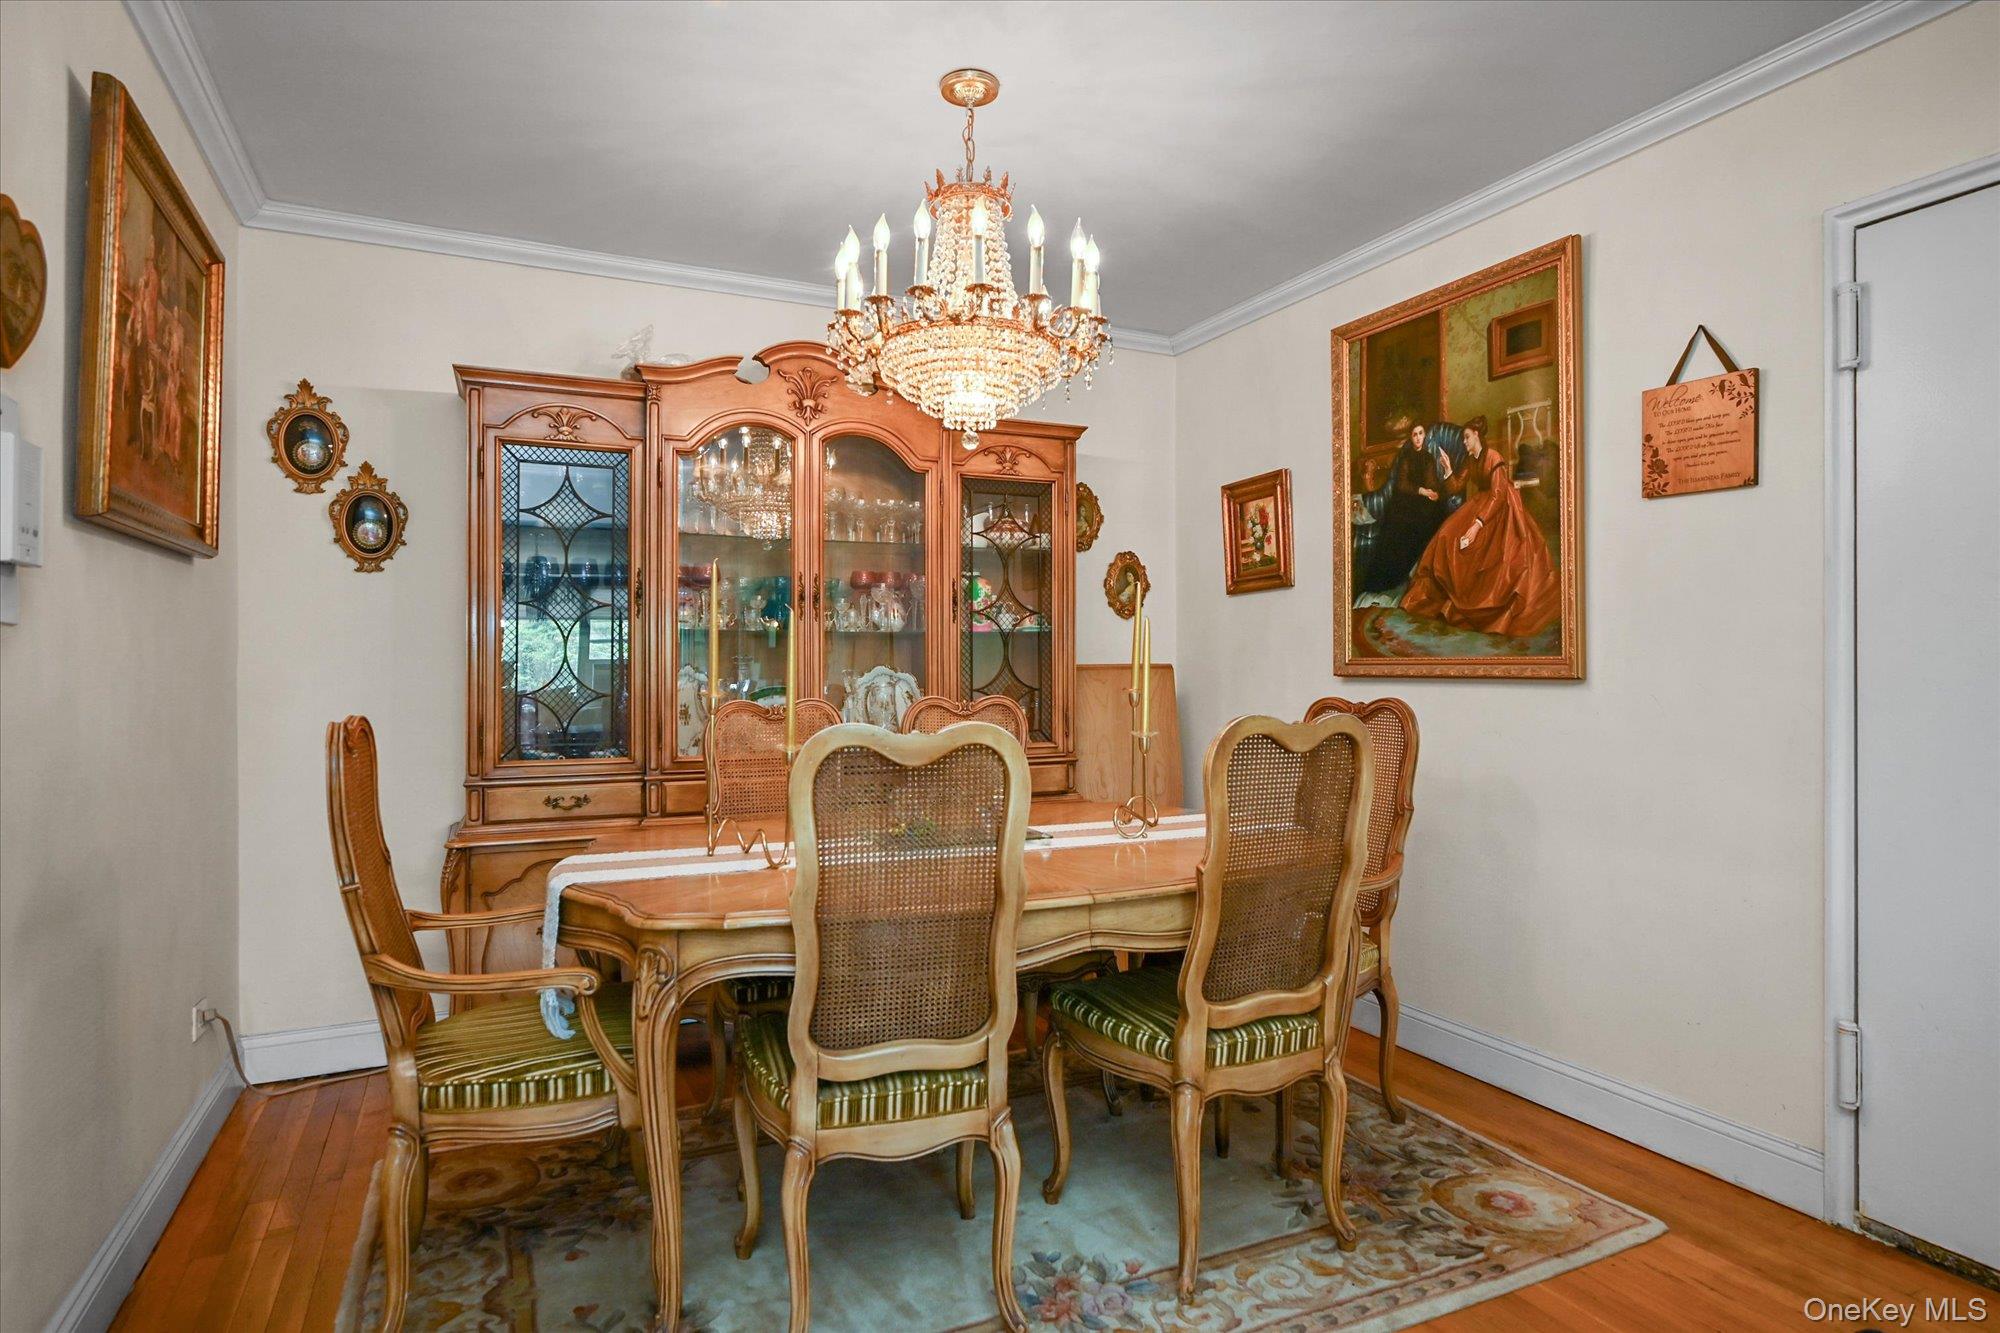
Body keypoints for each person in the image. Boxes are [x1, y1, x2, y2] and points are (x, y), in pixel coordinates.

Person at [1401, 418, 1560, 638]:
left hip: (1501, 505)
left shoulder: (1494, 457)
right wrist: (1448, 469)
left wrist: (1477, 525)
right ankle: (1449, 591)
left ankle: (1485, 603)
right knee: (1447, 533)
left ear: (1477, 435)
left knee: (1498, 554)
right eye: (1463, 439)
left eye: (1467, 437)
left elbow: (1498, 495)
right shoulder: (1469, 459)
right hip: (1481, 502)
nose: (1464, 442)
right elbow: (1456, 486)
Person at [1359, 424, 1452, 594]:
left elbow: (1432, 482)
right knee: (1401, 524)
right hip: (1407, 499)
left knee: (1438, 515)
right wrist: (1422, 491)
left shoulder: (1429, 458)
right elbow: (1402, 485)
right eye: (1415, 434)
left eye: (1420, 433)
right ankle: (1395, 577)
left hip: (1424, 501)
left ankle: (1429, 575)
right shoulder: (1406, 458)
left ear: (1424, 435)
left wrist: (1434, 493)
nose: (1418, 437)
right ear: (1411, 437)